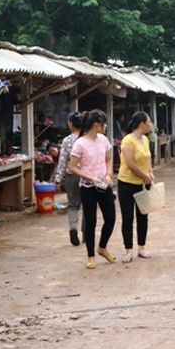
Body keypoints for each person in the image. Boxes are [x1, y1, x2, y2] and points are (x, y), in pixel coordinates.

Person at [69, 110, 117, 269]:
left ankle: (102, 247)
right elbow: (72, 167)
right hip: (88, 187)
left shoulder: (103, 140)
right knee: (90, 221)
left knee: (110, 218)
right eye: (104, 124)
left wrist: (109, 174)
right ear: (96, 125)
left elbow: (109, 159)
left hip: (105, 184)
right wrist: (90, 178)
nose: (105, 127)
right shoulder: (80, 143)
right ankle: (91, 256)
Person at [117, 111, 155, 263]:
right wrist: (145, 176)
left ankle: (141, 247)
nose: (150, 125)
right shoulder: (128, 140)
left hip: (143, 184)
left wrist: (150, 174)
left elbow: (148, 159)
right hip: (127, 183)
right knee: (128, 217)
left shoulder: (145, 140)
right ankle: (128, 249)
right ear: (142, 124)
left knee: (143, 216)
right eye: (149, 122)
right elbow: (131, 164)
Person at [55, 111, 84, 246]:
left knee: (73, 205)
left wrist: (58, 179)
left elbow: (62, 161)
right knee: (87, 206)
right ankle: (86, 233)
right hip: (87, 176)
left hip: (72, 175)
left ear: (71, 124)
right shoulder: (87, 138)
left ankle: (73, 227)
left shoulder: (67, 141)